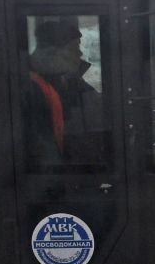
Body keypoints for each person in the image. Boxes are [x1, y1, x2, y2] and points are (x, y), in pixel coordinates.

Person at [25, 16, 106, 166]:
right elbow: (44, 149)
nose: (80, 54)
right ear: (53, 53)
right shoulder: (32, 89)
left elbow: (93, 104)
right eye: (75, 48)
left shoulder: (65, 80)